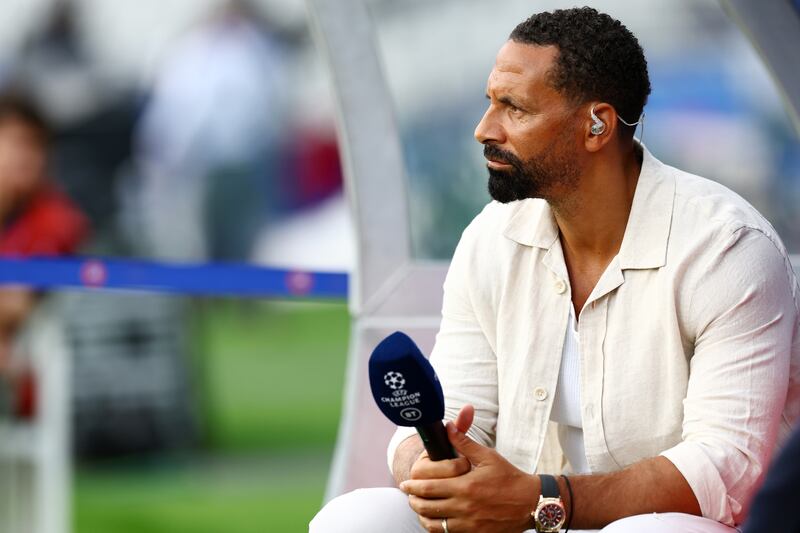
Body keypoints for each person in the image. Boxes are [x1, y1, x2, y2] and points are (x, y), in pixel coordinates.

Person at [310, 7, 799, 533]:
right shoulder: (490, 237)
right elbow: (451, 405)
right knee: (355, 518)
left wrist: (541, 500)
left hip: (670, 524)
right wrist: (430, 466)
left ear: (597, 125)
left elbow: (723, 470)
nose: (483, 130)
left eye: (513, 108)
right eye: (489, 102)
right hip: (519, 517)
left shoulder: (726, 249)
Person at [0, 91, 87, 378]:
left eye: (38, 146)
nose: (29, 158)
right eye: (18, 143)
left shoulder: (57, 220)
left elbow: (17, 302)